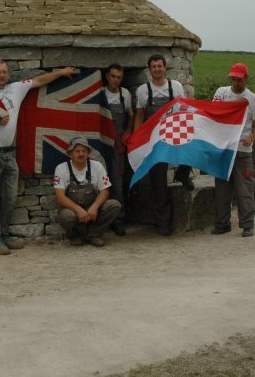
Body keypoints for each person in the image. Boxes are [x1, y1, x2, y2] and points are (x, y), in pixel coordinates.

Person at [0, 60, 77, 255]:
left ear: (8, 74)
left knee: (9, 197)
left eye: (4, 72)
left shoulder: (16, 88)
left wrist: (61, 72)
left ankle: (5, 234)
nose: (1, 75)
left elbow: (40, 80)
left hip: (9, 153)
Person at [133, 53, 191, 236]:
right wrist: (138, 138)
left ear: (165, 68)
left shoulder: (176, 86)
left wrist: (187, 131)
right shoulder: (143, 90)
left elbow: (184, 110)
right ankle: (163, 222)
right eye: (154, 67)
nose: (157, 69)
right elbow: (140, 116)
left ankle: (182, 174)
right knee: (158, 182)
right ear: (149, 69)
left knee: (190, 151)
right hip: (155, 139)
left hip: (174, 132)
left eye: (160, 66)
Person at [210, 62, 255, 238]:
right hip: (223, 151)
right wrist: (234, 106)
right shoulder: (221, 93)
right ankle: (222, 223)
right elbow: (215, 112)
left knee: (245, 191)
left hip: (242, 152)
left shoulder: (253, 99)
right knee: (222, 191)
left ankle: (247, 224)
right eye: (233, 79)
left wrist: (251, 138)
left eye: (239, 79)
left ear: (245, 79)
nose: (235, 82)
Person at [54, 136, 121, 247]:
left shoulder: (97, 166)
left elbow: (105, 191)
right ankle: (75, 235)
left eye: (84, 151)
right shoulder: (61, 168)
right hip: (73, 210)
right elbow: (60, 197)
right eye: (77, 151)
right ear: (70, 153)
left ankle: (93, 234)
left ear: (88, 153)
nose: (81, 154)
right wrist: (78, 209)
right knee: (66, 215)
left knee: (114, 205)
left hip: (92, 210)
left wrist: (95, 207)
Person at [103, 63, 133, 236]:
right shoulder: (100, 94)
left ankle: (119, 220)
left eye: (119, 77)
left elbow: (130, 115)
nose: (115, 80)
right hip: (104, 143)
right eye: (113, 76)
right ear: (107, 76)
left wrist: (128, 131)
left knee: (119, 184)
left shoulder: (125, 94)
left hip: (120, 145)